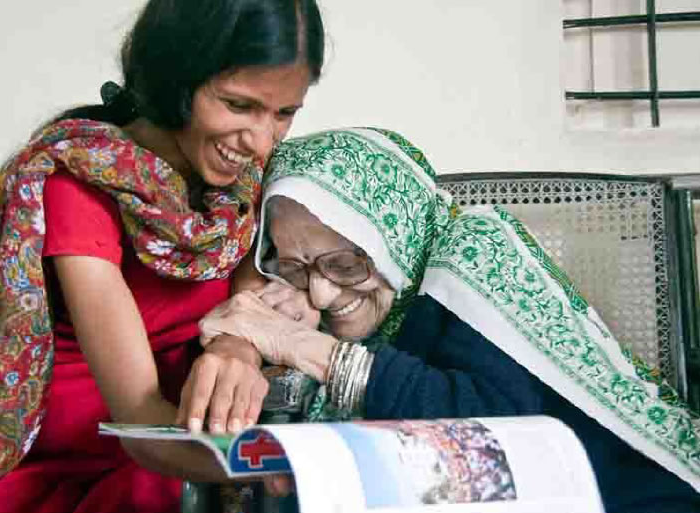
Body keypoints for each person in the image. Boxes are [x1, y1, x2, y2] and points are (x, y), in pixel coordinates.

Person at [0, 1, 324, 511]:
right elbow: (139, 419)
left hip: (190, 431)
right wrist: (278, 463)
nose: (262, 142)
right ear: (176, 79)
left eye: (285, 113)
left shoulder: (249, 184)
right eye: (239, 105)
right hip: (102, 449)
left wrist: (235, 348)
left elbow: (247, 305)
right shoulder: (80, 186)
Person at [199, 128, 700, 512]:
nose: (324, 293)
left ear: (393, 237)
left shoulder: (476, 255)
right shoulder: (356, 305)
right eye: (298, 266)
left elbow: (497, 434)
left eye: (346, 263)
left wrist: (307, 349)